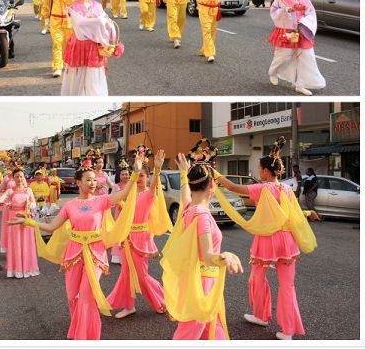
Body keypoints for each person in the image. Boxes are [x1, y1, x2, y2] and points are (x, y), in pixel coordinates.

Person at [7, 152, 143, 340]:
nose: (93, 183)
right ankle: (79, 326)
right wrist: (31, 222)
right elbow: (52, 226)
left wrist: (135, 173)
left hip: (95, 252)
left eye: (94, 180)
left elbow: (125, 193)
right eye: (88, 180)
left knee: (87, 296)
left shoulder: (102, 201)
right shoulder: (70, 205)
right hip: (74, 252)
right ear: (78, 182)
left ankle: (85, 336)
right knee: (72, 296)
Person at [213, 137, 317, 340]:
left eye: (260, 169)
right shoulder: (287, 189)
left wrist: (213, 173)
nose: (259, 172)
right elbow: (295, 215)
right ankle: (288, 331)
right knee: (287, 285)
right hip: (287, 240)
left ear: (267, 171)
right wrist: (308, 215)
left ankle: (261, 315)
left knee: (257, 278)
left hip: (267, 240)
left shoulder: (263, 188)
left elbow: (233, 188)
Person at [161, 153, 243, 340]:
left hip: (197, 279)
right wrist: (226, 255)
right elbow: (207, 256)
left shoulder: (189, 209)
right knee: (188, 334)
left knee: (214, 331)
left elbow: (184, 194)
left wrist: (183, 172)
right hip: (203, 283)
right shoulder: (202, 216)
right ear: (212, 185)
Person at [107, 149, 171, 319]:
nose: (140, 178)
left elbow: (153, 186)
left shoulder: (149, 194)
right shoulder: (129, 194)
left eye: (143, 175)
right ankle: (129, 306)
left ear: (148, 178)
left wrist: (157, 170)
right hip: (126, 239)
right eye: (138, 175)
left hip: (141, 238)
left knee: (142, 276)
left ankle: (162, 300)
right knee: (126, 274)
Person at [61, 0, 123, 96]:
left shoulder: (97, 5)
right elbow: (80, 23)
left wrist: (107, 25)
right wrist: (97, 21)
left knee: (94, 77)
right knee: (77, 76)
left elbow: (106, 21)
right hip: (79, 44)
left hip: (94, 46)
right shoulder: (73, 7)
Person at [268, 0, 326, 96]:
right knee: (283, 57)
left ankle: (300, 84)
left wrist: (305, 21)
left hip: (302, 31)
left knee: (307, 57)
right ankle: (272, 72)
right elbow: (273, 11)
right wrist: (287, 10)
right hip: (288, 31)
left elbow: (311, 12)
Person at [0, 168, 40, 278]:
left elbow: (34, 203)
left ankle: (27, 268)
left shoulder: (28, 190)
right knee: (16, 244)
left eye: (21, 176)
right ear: (13, 178)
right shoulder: (10, 191)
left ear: (23, 177)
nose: (19, 179)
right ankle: (17, 269)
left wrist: (30, 205)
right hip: (14, 220)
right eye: (17, 177)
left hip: (25, 218)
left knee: (26, 243)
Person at [40, 0, 78, 77]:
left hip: (68, 22)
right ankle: (57, 67)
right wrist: (46, 18)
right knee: (57, 43)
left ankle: (65, 62)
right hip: (55, 21)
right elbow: (45, 4)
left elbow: (75, 4)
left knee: (67, 45)